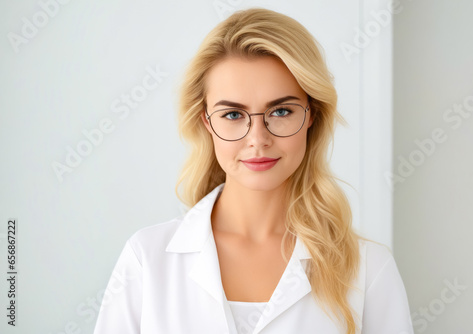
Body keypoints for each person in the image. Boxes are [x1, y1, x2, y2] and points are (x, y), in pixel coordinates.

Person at [93, 7, 413, 334]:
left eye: (281, 111)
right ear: (206, 122)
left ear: (312, 115)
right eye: (233, 115)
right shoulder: (147, 258)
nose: (257, 140)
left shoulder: (369, 269)